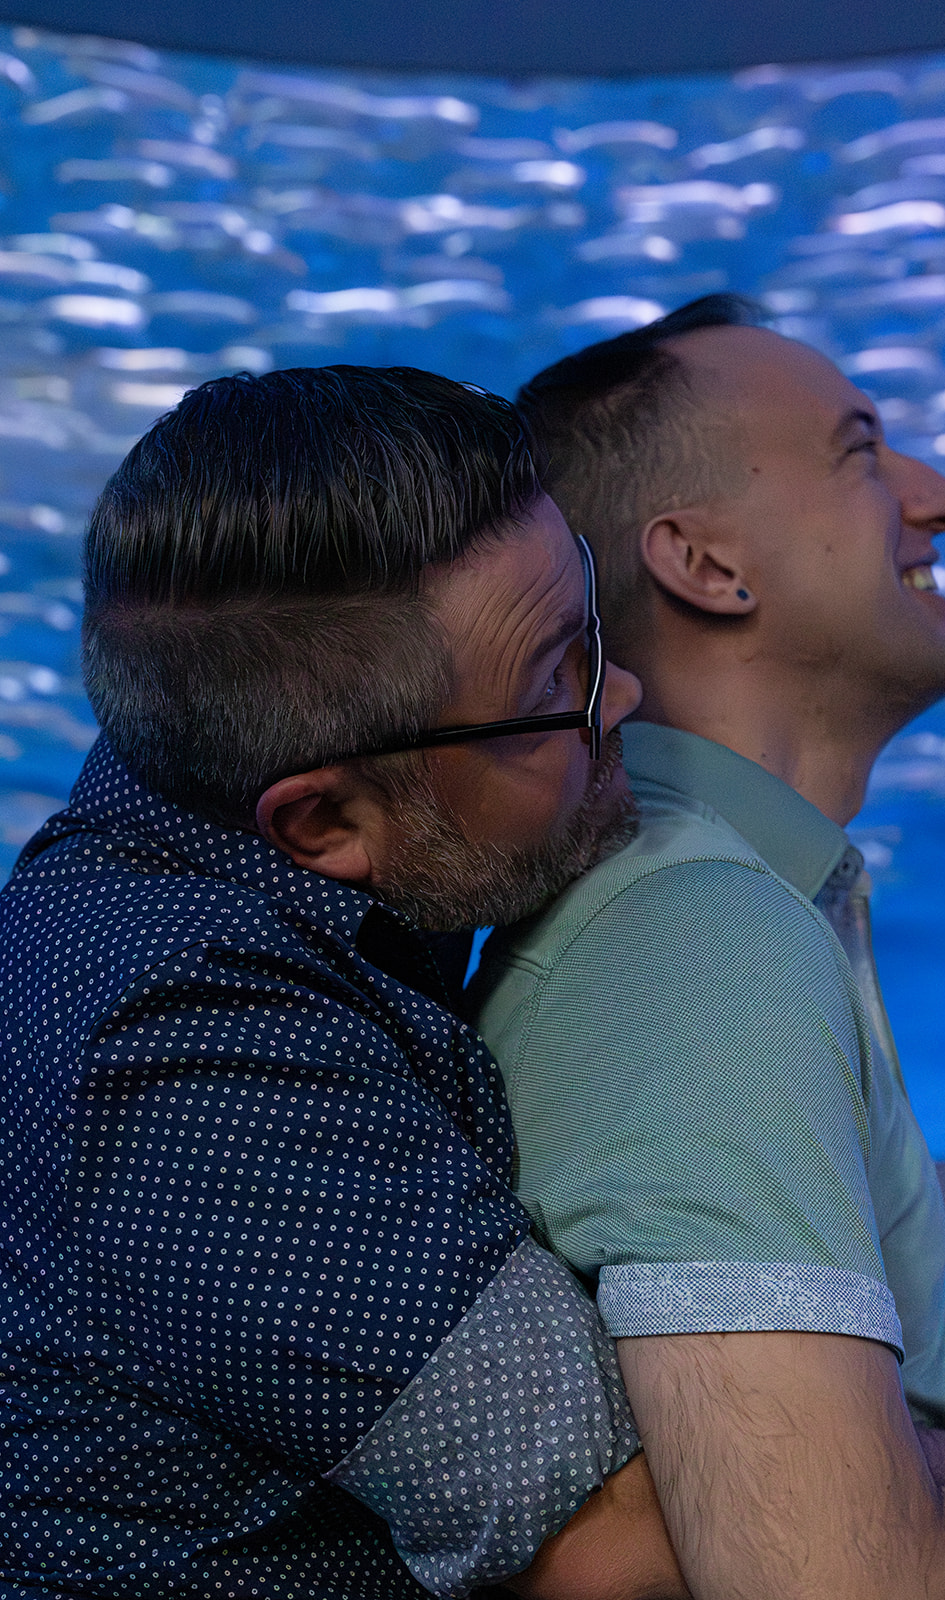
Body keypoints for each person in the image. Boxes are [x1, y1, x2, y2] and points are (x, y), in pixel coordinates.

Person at [0, 365, 690, 1600]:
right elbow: (620, 1551)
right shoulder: (174, 1046)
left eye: (588, 614)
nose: (622, 691)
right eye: (556, 680)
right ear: (322, 820)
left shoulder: (207, 833)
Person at [476, 296, 945, 1597]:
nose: (942, 495)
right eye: (859, 450)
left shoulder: (737, 899)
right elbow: (827, 1579)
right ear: (703, 566)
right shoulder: (696, 938)